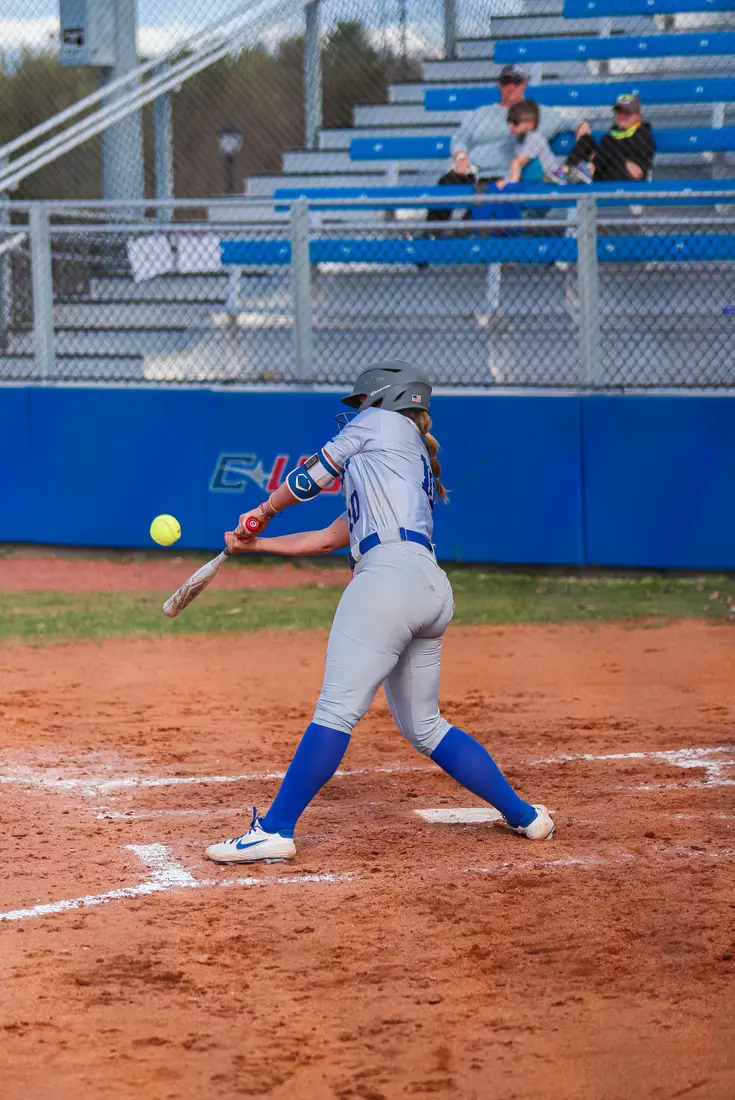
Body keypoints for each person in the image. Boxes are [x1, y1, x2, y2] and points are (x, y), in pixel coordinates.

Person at [205, 360, 554, 864]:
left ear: (387, 401)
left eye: (362, 404)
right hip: (428, 587)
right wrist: (256, 547)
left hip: (386, 581)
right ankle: (524, 815)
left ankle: (276, 829)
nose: (356, 415)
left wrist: (262, 511)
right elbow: (329, 538)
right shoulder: (402, 466)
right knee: (426, 726)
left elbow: (306, 479)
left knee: (336, 708)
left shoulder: (381, 426)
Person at [427, 65, 567, 224]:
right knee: (446, 182)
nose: (510, 87)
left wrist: (581, 129)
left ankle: (464, 237)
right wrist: (461, 157)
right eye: (506, 82)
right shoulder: (481, 113)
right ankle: (431, 236)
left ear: (524, 85)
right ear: (499, 85)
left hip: (503, 175)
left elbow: (569, 123)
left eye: (516, 82)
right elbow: (460, 138)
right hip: (473, 171)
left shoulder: (534, 112)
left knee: (475, 219)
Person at [564, 94, 655, 183]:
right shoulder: (610, 136)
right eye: (619, 111)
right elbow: (599, 159)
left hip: (625, 181)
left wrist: (612, 156)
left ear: (638, 115)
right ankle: (566, 171)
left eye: (627, 112)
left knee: (609, 148)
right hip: (602, 175)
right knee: (586, 140)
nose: (622, 116)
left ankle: (584, 170)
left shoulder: (643, 137)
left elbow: (637, 173)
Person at [496, 99, 566, 190]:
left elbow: (517, 163)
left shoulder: (534, 138)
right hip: (536, 183)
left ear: (531, 124)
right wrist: (507, 180)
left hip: (552, 183)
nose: (511, 125)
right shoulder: (519, 140)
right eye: (509, 121)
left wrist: (511, 186)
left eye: (516, 121)